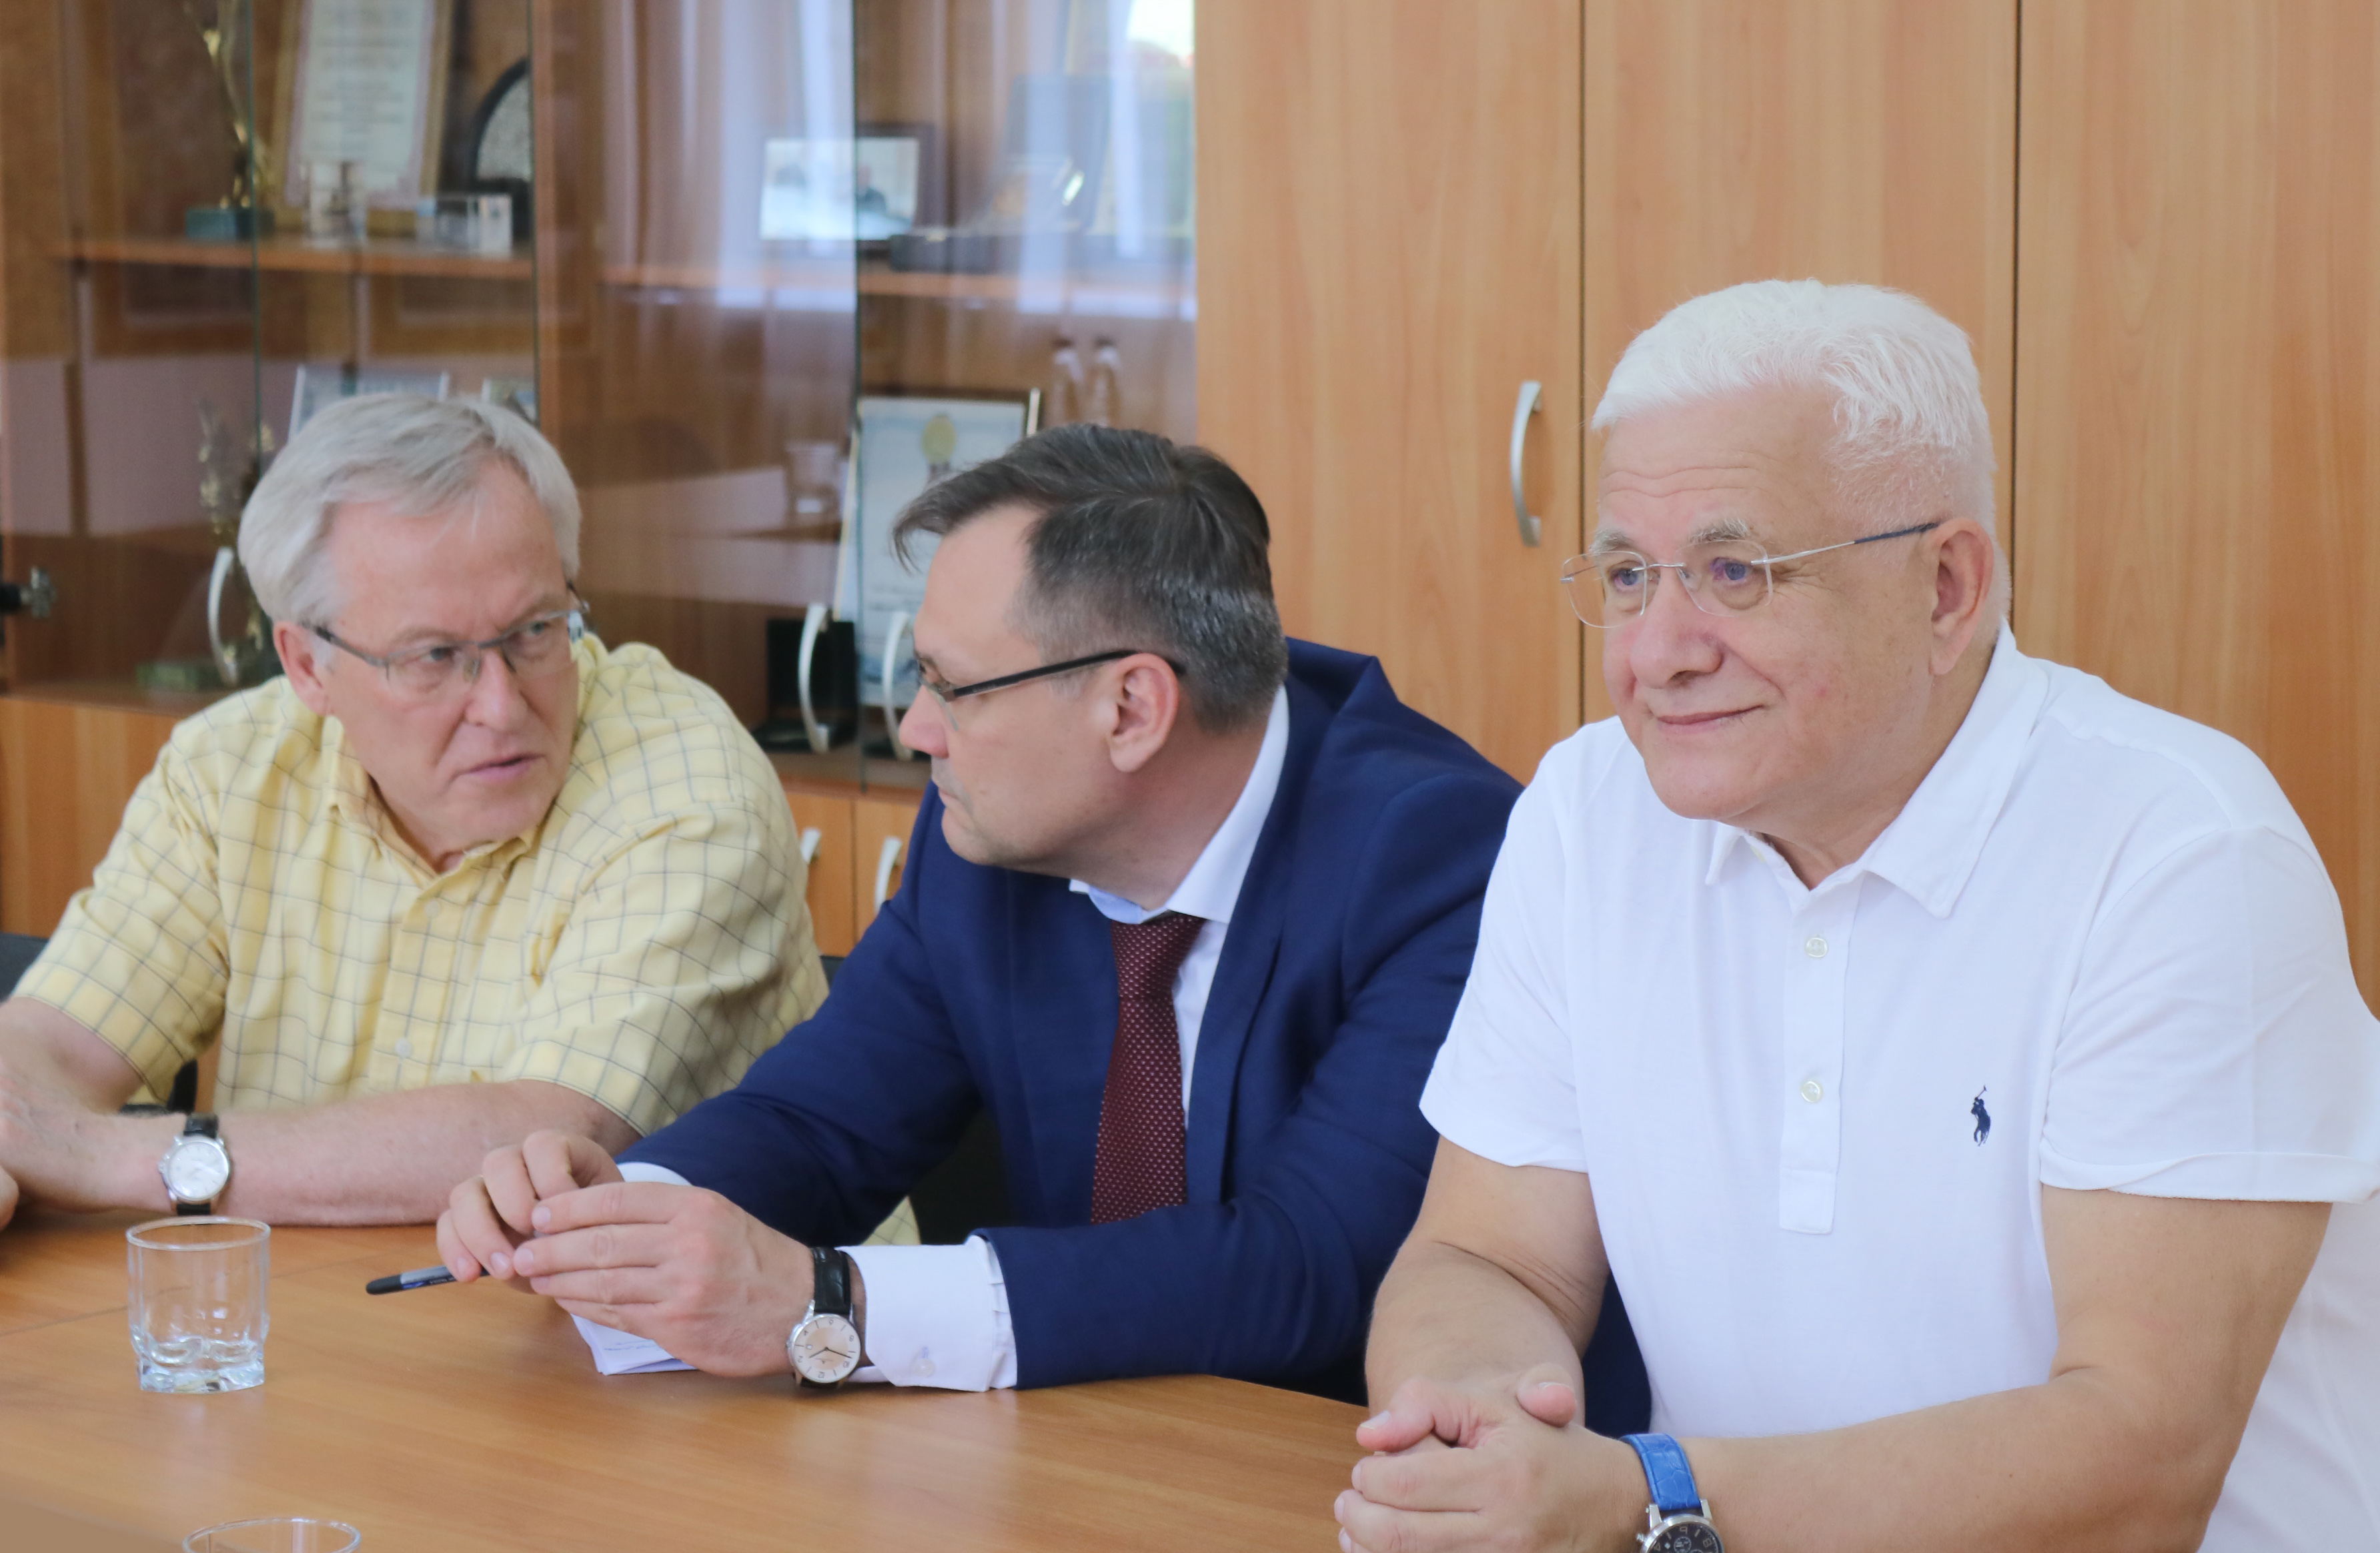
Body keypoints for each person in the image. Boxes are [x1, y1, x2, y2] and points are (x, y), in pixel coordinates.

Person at [1342, 280, 2380, 1552]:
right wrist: (1480, 1432)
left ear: (1945, 587)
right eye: (1626, 574)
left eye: (1732, 571)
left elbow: (2140, 1457)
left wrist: (1644, 1493)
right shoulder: (1587, 809)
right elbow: (1486, 1256)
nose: (1655, 652)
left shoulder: (2179, 851)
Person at [437, 424, 1635, 1404]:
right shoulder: (988, 834)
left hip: (1333, 1475)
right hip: (1062, 1458)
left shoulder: (1440, 859)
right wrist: (612, 1212)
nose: (917, 729)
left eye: (952, 687)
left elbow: (1309, 1263)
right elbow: (818, 1124)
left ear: (1131, 709)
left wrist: (836, 1305)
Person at [0, 395, 824, 1232]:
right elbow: (53, 1045)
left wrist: (110, 1157)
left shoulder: (685, 787)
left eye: (535, 631)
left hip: (658, 1313)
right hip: (303, 1298)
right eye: (435, 655)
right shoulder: (231, 770)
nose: (501, 706)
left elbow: (547, 1142)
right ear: (306, 666)